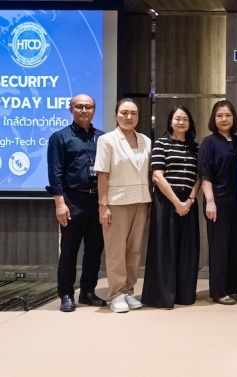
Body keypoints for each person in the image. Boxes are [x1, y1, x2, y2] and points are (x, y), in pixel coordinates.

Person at [46, 94, 107, 312]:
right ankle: (66, 294)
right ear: (71, 109)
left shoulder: (102, 138)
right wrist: (59, 203)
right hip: (72, 200)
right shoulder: (59, 137)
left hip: (97, 200)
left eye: (88, 107)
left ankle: (88, 292)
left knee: (94, 249)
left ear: (94, 110)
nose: (84, 110)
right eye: (79, 106)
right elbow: (55, 173)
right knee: (69, 250)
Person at [95, 99, 152, 313]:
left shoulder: (146, 140)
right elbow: (102, 174)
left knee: (134, 250)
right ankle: (116, 294)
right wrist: (103, 205)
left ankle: (128, 291)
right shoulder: (107, 140)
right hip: (116, 201)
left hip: (141, 200)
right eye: (124, 112)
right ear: (116, 115)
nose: (129, 117)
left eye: (133, 113)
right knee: (116, 250)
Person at [142, 106, 201, 309]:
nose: (181, 122)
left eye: (185, 119)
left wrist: (190, 200)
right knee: (164, 248)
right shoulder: (161, 143)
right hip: (166, 201)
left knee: (187, 250)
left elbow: (199, 177)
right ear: (170, 121)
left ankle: (184, 294)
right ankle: (163, 296)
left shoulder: (195, 147)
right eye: (177, 119)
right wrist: (177, 202)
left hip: (189, 202)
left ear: (190, 123)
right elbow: (157, 176)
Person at [198, 100, 237, 305]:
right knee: (219, 248)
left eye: (228, 115)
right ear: (213, 119)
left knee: (236, 246)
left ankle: (232, 288)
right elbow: (205, 175)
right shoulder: (209, 143)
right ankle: (218, 291)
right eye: (219, 115)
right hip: (217, 202)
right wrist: (210, 201)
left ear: (233, 118)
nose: (224, 119)